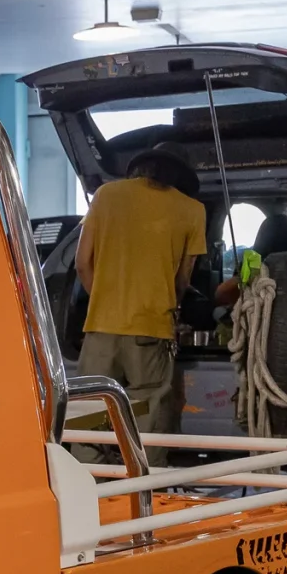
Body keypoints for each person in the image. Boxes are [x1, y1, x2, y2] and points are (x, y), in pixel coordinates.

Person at [75, 144, 205, 433]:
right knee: (146, 415)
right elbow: (183, 279)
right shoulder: (193, 210)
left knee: (88, 416)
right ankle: (142, 477)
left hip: (100, 328)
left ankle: (89, 476)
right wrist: (173, 309)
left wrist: (105, 301)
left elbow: (82, 263)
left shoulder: (106, 195)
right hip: (151, 329)